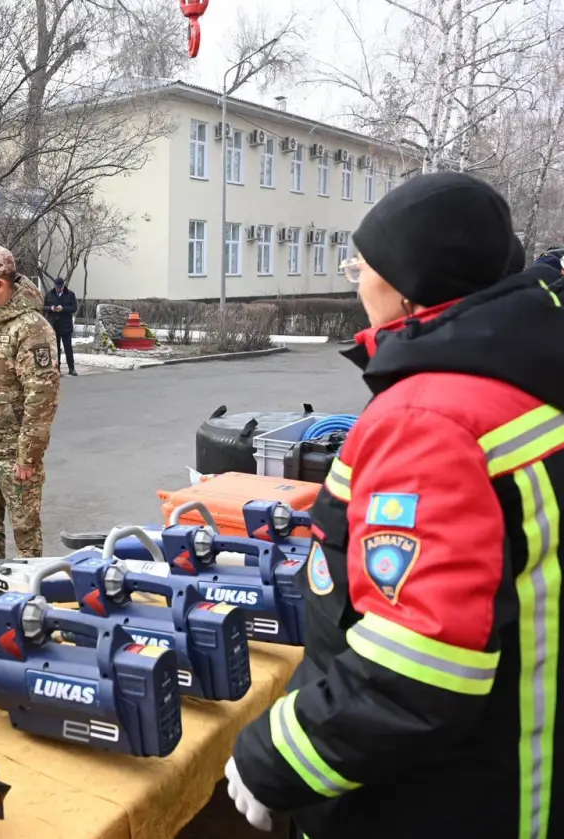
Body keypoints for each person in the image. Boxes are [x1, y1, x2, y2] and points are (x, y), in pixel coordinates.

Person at [224, 171, 564, 839]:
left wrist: (272, 758)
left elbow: (414, 668)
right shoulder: (522, 375)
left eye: (364, 264)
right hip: (515, 754)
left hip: (437, 797)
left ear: (408, 286)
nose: (356, 279)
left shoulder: (430, 419)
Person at [0, 245, 60, 559]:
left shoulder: (31, 328)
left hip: (15, 455)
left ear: (0, 284)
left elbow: (42, 397)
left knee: (25, 534)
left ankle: (30, 600)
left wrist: (28, 457)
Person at [44, 277, 78, 376]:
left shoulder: (70, 294)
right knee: (56, 348)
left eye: (60, 287)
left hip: (66, 325)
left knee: (68, 348)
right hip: (54, 325)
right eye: (57, 287)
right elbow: (44, 307)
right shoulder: (49, 294)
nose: (58, 289)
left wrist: (63, 308)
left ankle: (71, 368)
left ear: (63, 286)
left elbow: (73, 308)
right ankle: (57, 369)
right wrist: (51, 308)